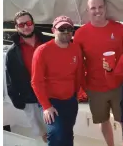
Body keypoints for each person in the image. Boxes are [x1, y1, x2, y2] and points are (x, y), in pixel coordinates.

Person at [73, 0, 123, 146]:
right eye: (93, 8)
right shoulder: (80, 34)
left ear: (105, 8)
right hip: (95, 87)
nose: (97, 11)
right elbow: (78, 62)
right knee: (103, 120)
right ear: (88, 10)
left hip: (120, 85)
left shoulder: (119, 29)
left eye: (100, 7)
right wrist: (82, 85)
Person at [31, 15, 85, 146]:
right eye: (62, 29)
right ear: (53, 30)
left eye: (69, 29)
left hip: (70, 100)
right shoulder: (42, 51)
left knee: (67, 133)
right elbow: (36, 81)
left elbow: (79, 73)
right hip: (51, 102)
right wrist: (46, 106)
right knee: (56, 135)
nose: (66, 32)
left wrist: (76, 95)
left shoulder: (76, 48)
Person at [5, 10, 51, 142]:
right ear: (16, 27)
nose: (26, 27)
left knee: (58, 129)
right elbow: (10, 79)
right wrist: (16, 100)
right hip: (30, 99)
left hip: (52, 94)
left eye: (28, 23)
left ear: (33, 24)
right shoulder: (12, 53)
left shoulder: (49, 43)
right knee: (44, 133)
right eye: (21, 25)